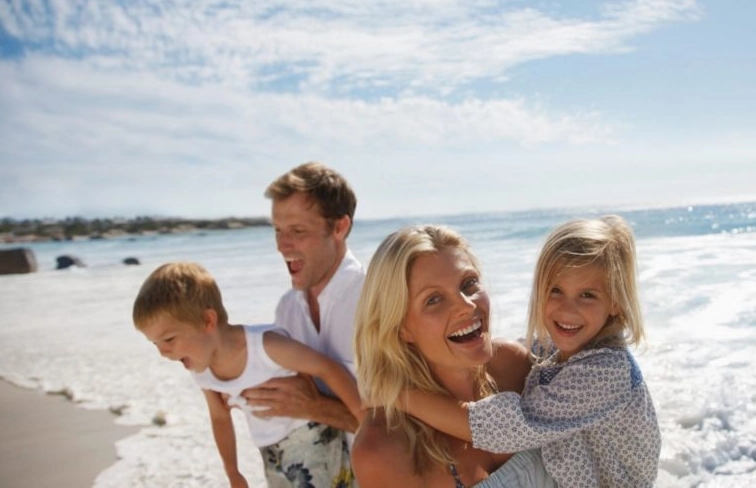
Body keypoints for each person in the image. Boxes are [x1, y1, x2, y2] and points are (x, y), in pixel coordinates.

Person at [399, 216, 662, 487]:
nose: (567, 309)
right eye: (555, 290)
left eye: (587, 295)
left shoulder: (606, 372)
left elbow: (511, 427)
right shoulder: (557, 350)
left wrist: (404, 397)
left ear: (616, 302)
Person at [351, 224, 557, 487]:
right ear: (400, 328)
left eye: (469, 283)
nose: (467, 305)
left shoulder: (513, 366)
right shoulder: (383, 448)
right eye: (434, 300)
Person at [133, 262, 365, 488]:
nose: (163, 352)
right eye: (155, 344)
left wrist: (365, 421)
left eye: (169, 339)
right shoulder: (202, 370)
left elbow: (327, 368)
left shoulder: (265, 346)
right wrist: (232, 472)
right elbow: (220, 418)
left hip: (315, 441)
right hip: (269, 452)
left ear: (208, 321)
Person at [239, 162, 365, 484]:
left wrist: (318, 407)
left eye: (297, 231)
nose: (282, 245)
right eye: (277, 230)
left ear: (339, 227)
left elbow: (416, 428)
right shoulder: (287, 310)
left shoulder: (375, 301)